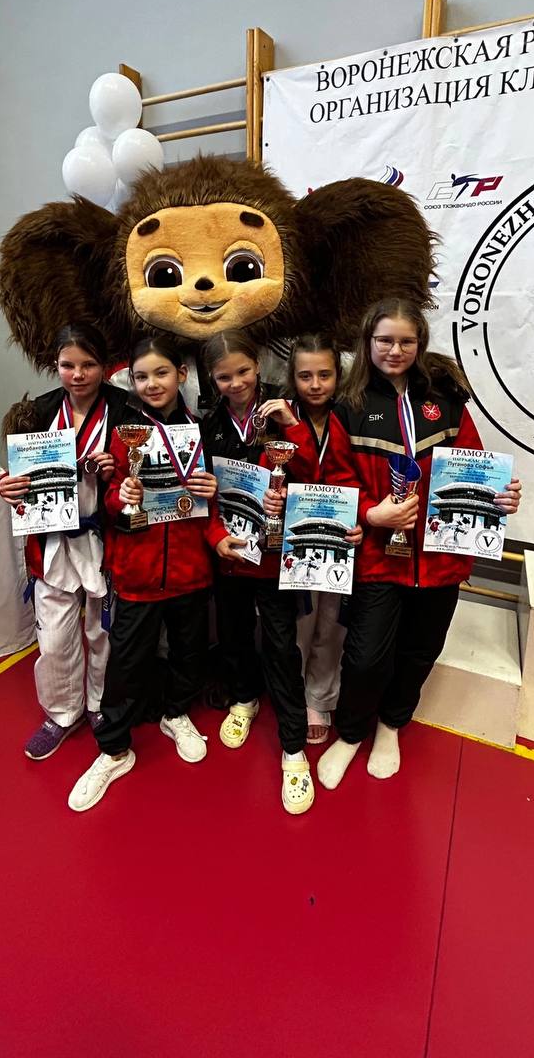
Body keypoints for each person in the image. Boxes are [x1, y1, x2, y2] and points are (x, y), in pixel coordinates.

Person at [271, 298, 522, 789]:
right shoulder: (350, 406)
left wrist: (500, 496)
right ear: (368, 343)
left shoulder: (446, 401)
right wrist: (371, 513)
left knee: (420, 650)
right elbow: (336, 478)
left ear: (420, 344)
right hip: (378, 558)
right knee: (365, 657)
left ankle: (390, 727)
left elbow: (474, 462)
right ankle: (351, 734)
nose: (395, 350)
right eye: (385, 340)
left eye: (406, 341)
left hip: (442, 557)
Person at [67, 335, 227, 813]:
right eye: (141, 376)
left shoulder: (201, 430)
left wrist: (212, 491)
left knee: (188, 651)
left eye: (161, 373)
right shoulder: (124, 433)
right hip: (137, 571)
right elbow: (109, 500)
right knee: (126, 662)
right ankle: (114, 749)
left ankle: (176, 714)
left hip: (190, 570)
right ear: (131, 382)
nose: (152, 383)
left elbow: (212, 504)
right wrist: (122, 497)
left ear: (181, 374)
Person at [200, 330, 323, 815]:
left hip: (273, 556)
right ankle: (244, 699)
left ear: (258, 366)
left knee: (280, 646)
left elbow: (315, 476)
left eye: (243, 372)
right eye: (224, 376)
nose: (236, 383)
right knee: (233, 634)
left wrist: (293, 427)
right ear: (211, 379)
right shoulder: (209, 424)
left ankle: (293, 750)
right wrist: (216, 537)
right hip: (231, 555)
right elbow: (202, 493)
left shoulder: (283, 411)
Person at [0, 322, 132, 760]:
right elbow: (20, 475)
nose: (77, 375)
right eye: (67, 365)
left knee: (102, 632)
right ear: (55, 366)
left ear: (104, 366)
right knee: (55, 638)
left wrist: (116, 470)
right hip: (51, 540)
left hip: (104, 538)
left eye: (88, 365)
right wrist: (6, 485)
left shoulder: (125, 410)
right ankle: (61, 712)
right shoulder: (37, 411)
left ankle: (99, 705)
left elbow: (143, 474)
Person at [286, 333, 349, 744]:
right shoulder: (281, 416)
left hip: (343, 535)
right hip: (297, 537)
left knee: (333, 622)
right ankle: (292, 693)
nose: (314, 385)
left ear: (338, 375)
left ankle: (320, 698)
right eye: (305, 376)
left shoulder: (352, 414)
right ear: (292, 377)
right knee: (299, 623)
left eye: (324, 375)